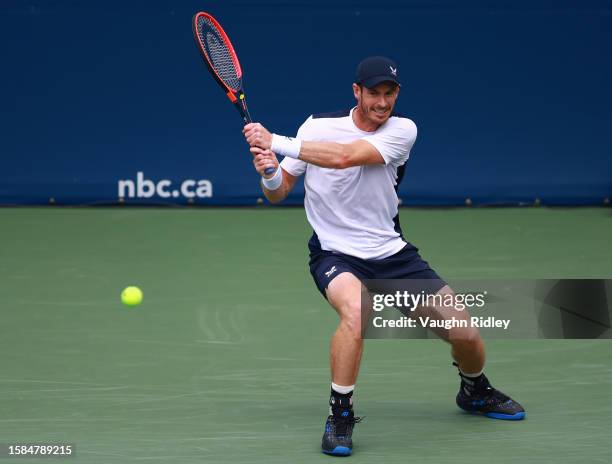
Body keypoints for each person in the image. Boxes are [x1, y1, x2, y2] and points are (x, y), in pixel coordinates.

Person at [242, 56, 525, 457]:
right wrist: (270, 171)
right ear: (356, 92)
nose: (382, 102)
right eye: (373, 92)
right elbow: (278, 191)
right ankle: (340, 414)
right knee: (357, 314)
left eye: (389, 93)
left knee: (465, 334)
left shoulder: (402, 130)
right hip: (334, 253)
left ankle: (474, 389)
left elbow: (344, 157)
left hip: (392, 256)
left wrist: (275, 141)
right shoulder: (316, 127)